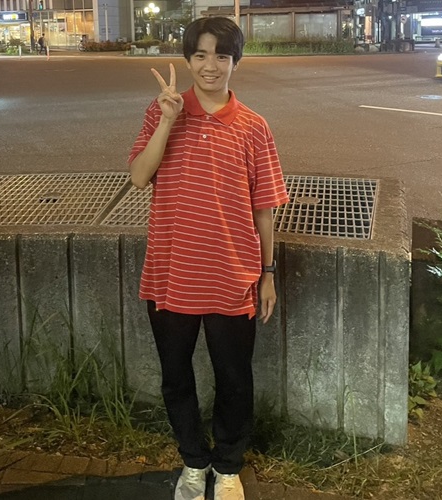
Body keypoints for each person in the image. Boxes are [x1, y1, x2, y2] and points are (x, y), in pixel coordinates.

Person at [128, 16, 289, 500]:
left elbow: (264, 208)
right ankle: (193, 463)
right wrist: (168, 119)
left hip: (232, 276)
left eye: (221, 55)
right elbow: (139, 176)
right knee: (175, 377)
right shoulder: (162, 112)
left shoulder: (254, 126)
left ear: (236, 61)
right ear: (187, 59)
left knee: (234, 378)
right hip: (171, 275)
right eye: (200, 54)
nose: (210, 65)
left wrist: (267, 273)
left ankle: (228, 466)